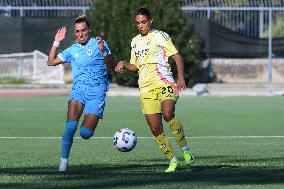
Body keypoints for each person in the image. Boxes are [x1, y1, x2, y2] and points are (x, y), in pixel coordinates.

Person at [115, 8, 194, 172]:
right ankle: (172, 160)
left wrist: (180, 77)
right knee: (155, 128)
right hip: (145, 89)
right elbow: (135, 66)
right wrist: (124, 64)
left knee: (168, 114)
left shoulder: (160, 36)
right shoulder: (135, 41)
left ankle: (186, 151)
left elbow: (177, 56)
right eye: (137, 23)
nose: (140, 26)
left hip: (164, 82)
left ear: (151, 21)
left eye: (143, 22)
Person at [47, 15, 112, 172]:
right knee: (70, 126)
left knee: (85, 133)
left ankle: (88, 125)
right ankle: (63, 162)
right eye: (77, 31)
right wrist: (57, 42)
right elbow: (50, 62)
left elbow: (110, 63)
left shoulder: (99, 44)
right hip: (78, 91)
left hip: (97, 92)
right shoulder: (72, 50)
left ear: (89, 30)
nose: (81, 34)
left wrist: (104, 52)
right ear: (74, 33)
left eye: (83, 30)